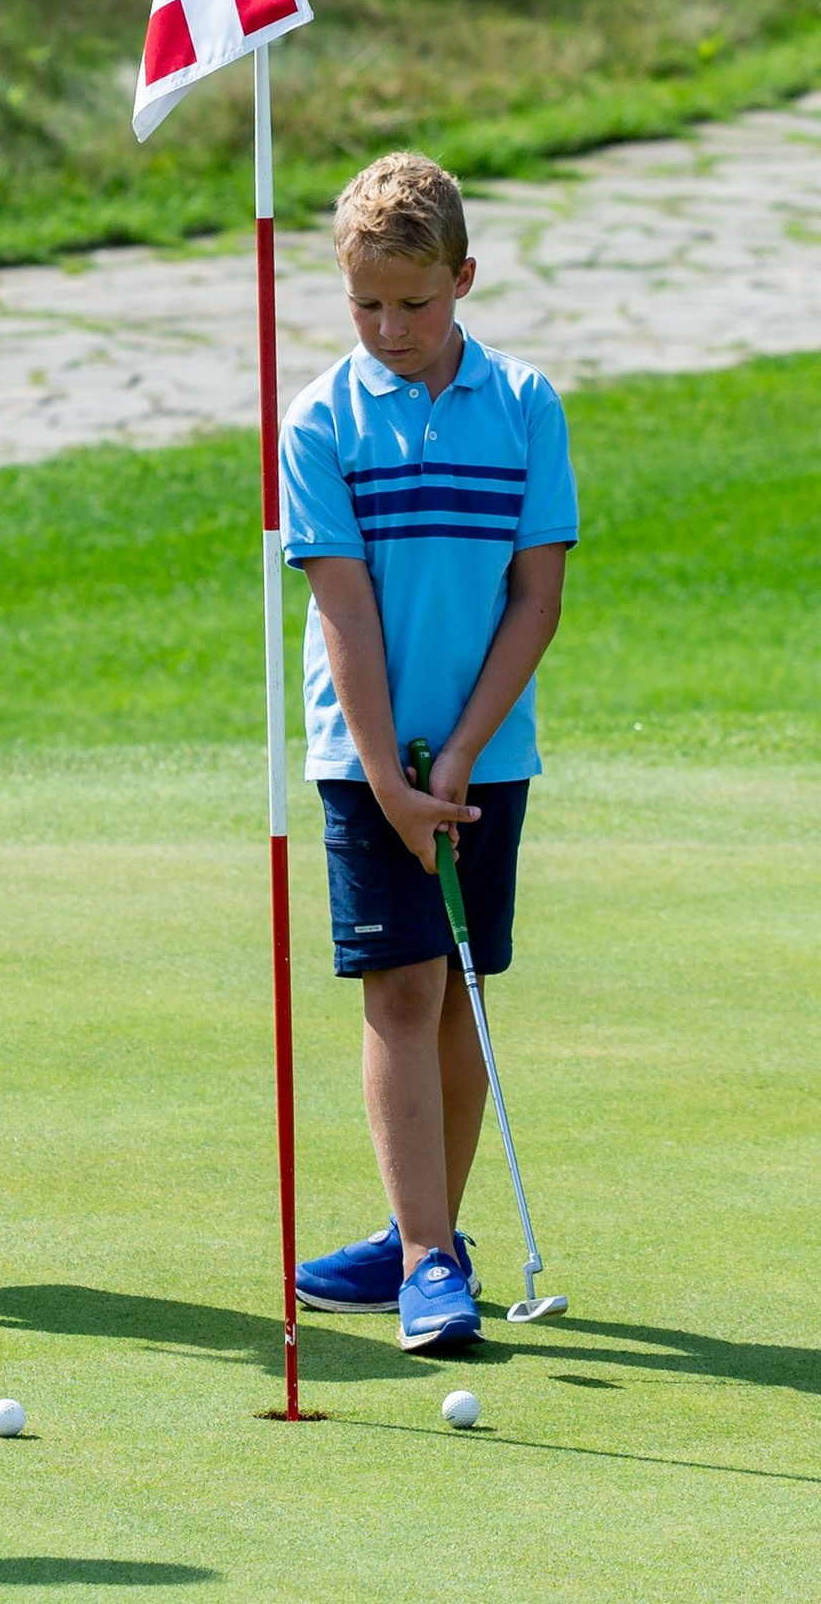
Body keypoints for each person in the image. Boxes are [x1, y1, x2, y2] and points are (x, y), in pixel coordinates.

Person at [283, 153, 578, 1353]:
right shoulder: (320, 419)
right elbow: (345, 611)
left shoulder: (523, 405)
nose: (390, 328)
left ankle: (427, 1232)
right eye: (365, 305)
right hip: (361, 758)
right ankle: (421, 1258)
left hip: (484, 755)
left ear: (463, 277)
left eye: (413, 302)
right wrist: (391, 777)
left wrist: (454, 757)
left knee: (454, 985)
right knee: (399, 986)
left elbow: (535, 596)